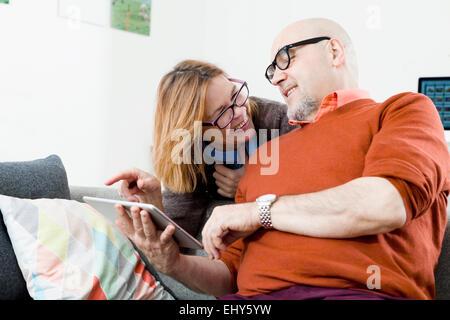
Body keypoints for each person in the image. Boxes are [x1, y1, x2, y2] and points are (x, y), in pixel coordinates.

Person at [113, 18, 450, 300]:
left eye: (286, 58)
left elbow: (384, 204)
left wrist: (257, 211)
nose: (274, 77)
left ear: (333, 51)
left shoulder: (404, 110)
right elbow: (228, 274)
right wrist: (172, 262)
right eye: (271, 69)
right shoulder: (263, 157)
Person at [105, 59, 295, 237]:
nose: (240, 111)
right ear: (195, 130)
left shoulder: (280, 120)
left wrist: (250, 185)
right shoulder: (190, 153)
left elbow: (314, 196)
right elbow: (181, 230)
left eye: (234, 95)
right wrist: (153, 198)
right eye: (221, 112)